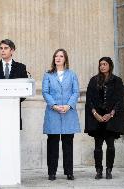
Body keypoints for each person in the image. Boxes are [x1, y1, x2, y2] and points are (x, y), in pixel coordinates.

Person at [42, 49, 81, 181]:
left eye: (61, 56)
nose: (58, 58)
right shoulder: (48, 75)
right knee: (52, 144)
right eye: (56, 56)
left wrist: (69, 105)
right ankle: (51, 172)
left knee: (68, 144)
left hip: (68, 113)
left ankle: (69, 172)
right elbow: (45, 92)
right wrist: (54, 105)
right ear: (54, 59)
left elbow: (76, 92)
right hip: (53, 113)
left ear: (65, 59)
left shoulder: (72, 74)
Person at [84, 57, 124, 180]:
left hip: (111, 119)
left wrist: (111, 114)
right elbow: (89, 99)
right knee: (97, 147)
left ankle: (109, 170)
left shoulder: (117, 81)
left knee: (111, 146)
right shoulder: (93, 80)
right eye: (100, 64)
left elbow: (120, 100)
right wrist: (95, 113)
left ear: (110, 66)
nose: (102, 66)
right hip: (97, 119)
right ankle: (98, 170)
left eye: (105, 64)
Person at [0, 39, 28, 129]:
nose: (3, 50)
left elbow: (26, 89)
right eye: (1, 48)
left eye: (6, 48)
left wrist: (14, 100)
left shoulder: (21, 68)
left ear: (12, 50)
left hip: (14, 109)